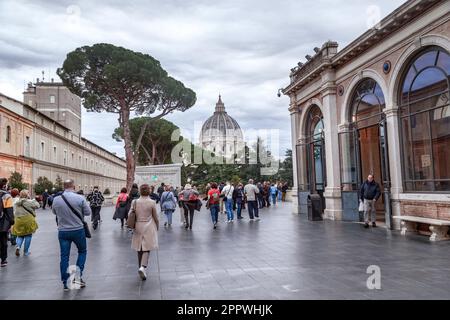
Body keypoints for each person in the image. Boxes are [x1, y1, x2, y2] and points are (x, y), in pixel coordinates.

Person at [52, 179, 91, 291]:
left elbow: (54, 212)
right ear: (73, 186)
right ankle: (77, 278)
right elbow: (88, 213)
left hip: (63, 231)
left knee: (64, 256)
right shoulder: (80, 198)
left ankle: (65, 283)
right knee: (82, 251)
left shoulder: (56, 199)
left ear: (64, 187)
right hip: (78, 229)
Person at [128, 184, 159, 281]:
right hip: (149, 226)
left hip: (138, 225)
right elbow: (155, 216)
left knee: (139, 248)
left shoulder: (135, 201)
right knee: (147, 247)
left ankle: (140, 268)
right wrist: (157, 226)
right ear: (149, 191)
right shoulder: (152, 202)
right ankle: (143, 267)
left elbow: (130, 214)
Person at [12, 190, 39, 256]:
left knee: (20, 235)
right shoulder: (29, 201)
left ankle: (18, 246)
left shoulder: (16, 202)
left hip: (18, 220)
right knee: (28, 235)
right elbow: (37, 206)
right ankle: (26, 251)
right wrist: (34, 199)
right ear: (27, 195)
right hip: (28, 219)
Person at [0, 178, 14, 267]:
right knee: (3, 241)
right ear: (4, 185)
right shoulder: (6, 196)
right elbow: (9, 211)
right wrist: (11, 222)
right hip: (2, 222)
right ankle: (3, 260)